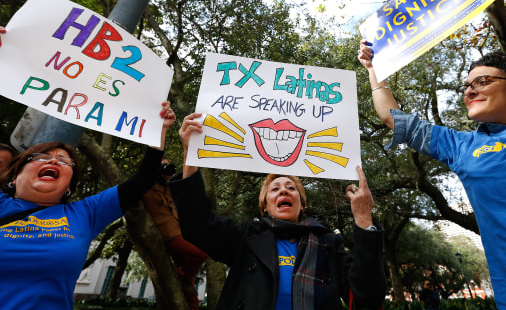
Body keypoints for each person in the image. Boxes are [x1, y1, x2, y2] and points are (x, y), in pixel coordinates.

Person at [358, 0, 506, 310]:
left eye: (482, 80)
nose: (470, 89)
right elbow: (392, 117)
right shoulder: (461, 146)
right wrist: (374, 69)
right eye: (466, 85)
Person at [166, 112, 386, 310]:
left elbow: (368, 298)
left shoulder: (328, 243)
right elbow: (198, 225)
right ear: (265, 205)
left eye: (291, 188)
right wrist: (190, 155)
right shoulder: (247, 236)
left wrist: (364, 219)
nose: (284, 192)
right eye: (275, 189)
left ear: (302, 203)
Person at [0, 101, 176, 310]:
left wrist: (160, 129)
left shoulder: (85, 214)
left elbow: (141, 182)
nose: (53, 162)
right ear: (14, 177)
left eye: (64, 161)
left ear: (67, 188)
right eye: (41, 157)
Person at [143, 157, 208, 309]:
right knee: (203, 251)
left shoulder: (170, 187)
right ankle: (184, 276)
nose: (166, 168)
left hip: (180, 233)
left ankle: (191, 300)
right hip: (169, 236)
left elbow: (188, 189)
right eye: (162, 166)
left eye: (167, 165)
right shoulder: (147, 186)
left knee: (189, 288)